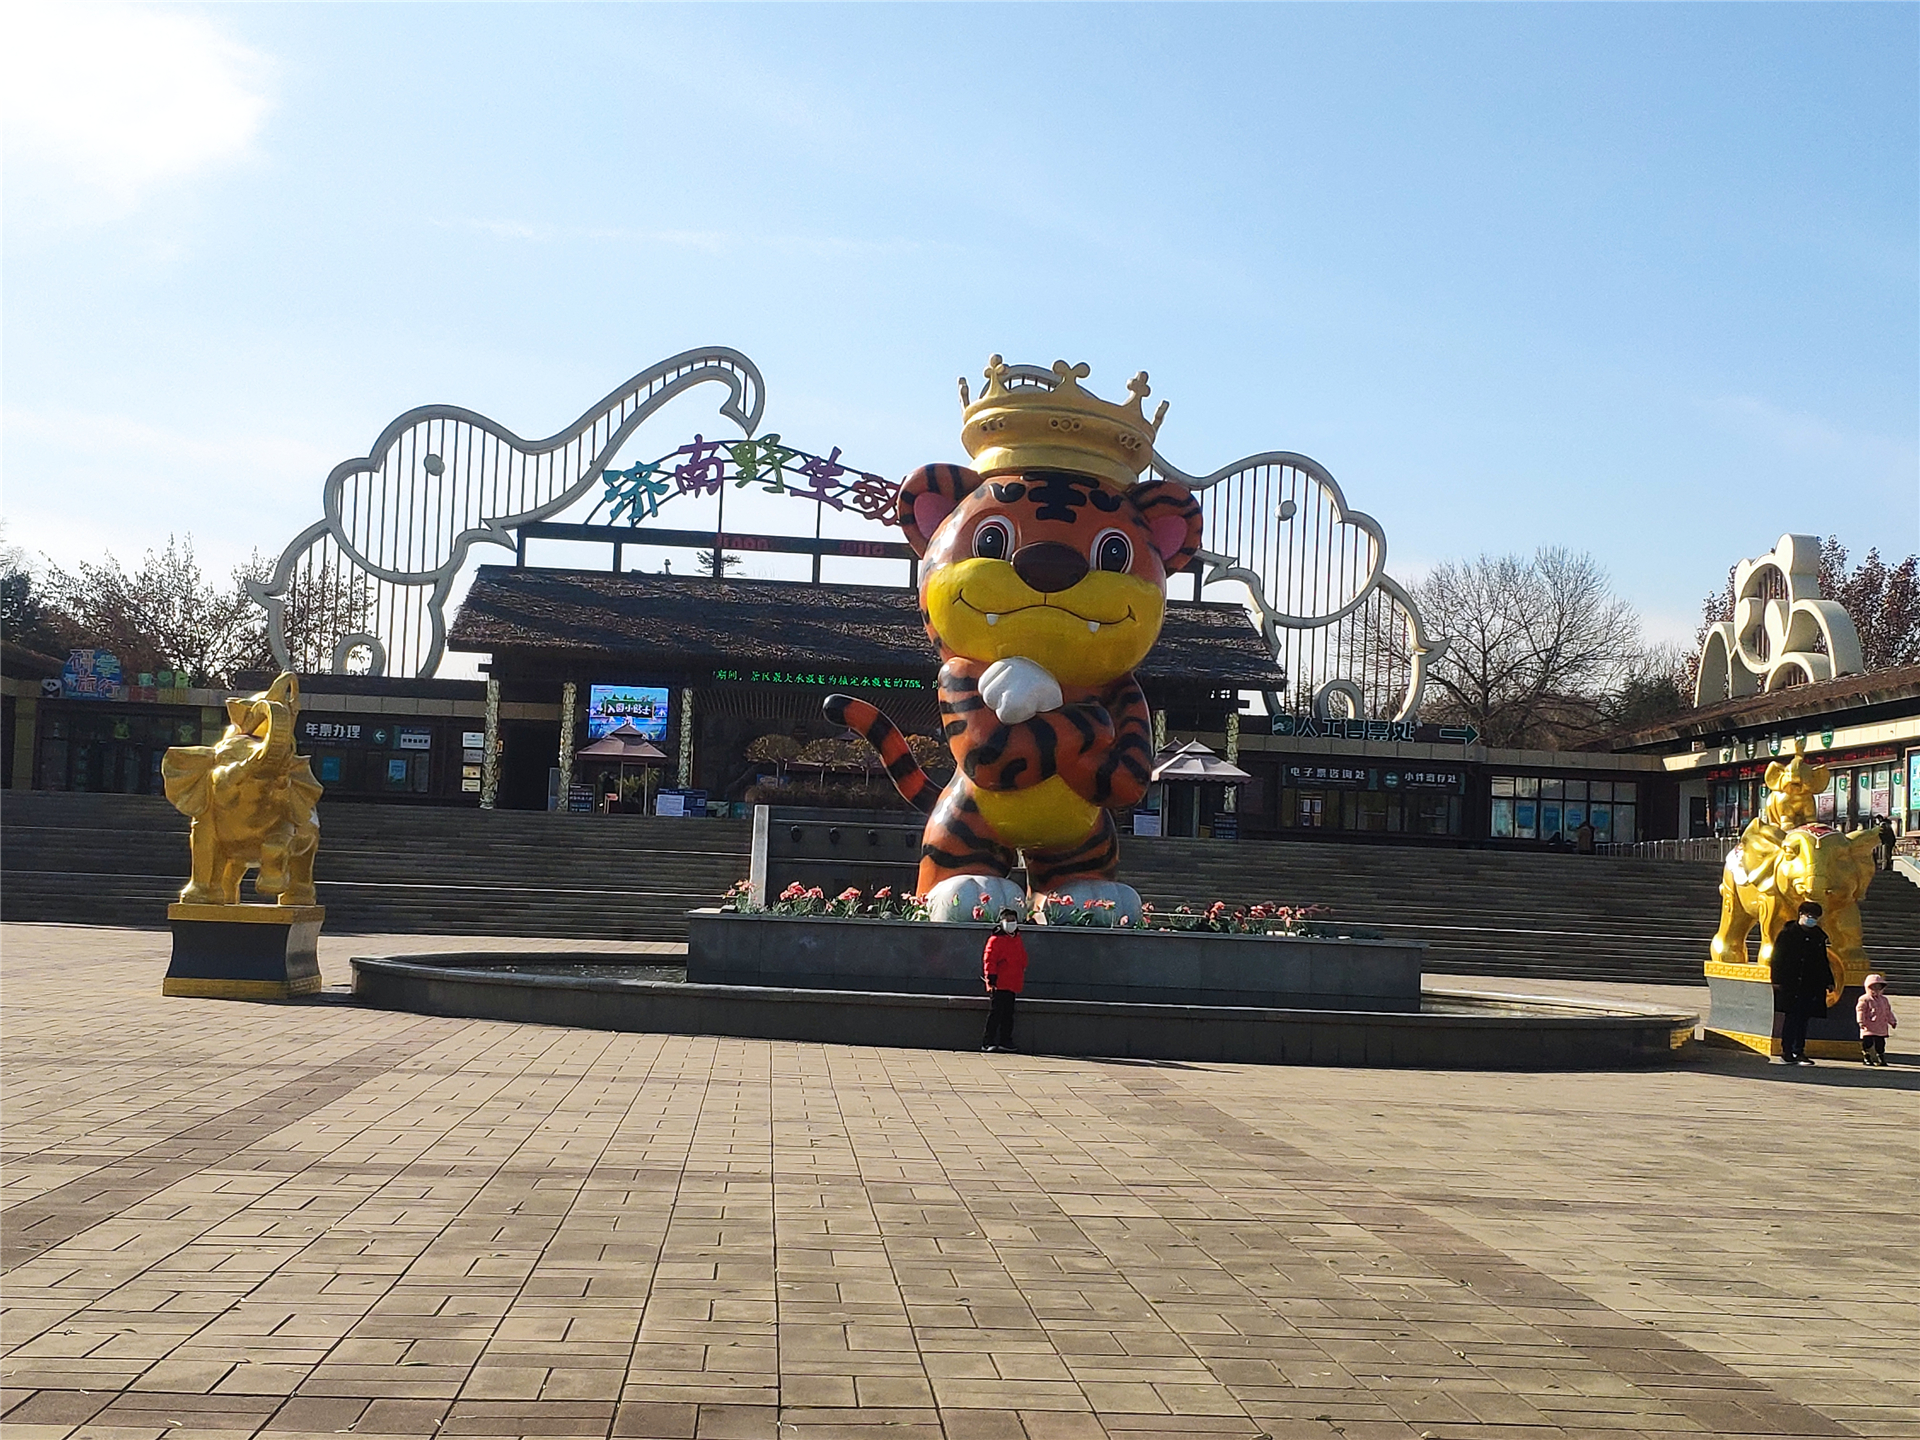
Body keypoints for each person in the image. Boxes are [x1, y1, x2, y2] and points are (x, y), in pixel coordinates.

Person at [1769, 901, 1835, 1065]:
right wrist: (1776, 980)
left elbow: (1822, 960)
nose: (1812, 920)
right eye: (1809, 917)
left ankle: (1799, 1051)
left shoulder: (1818, 936)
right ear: (1801, 915)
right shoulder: (1788, 934)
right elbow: (1777, 959)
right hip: (1791, 983)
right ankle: (1787, 1051)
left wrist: (1829, 980)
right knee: (1791, 1017)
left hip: (1810, 984)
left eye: (1815, 918)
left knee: (1804, 1019)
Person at [981, 905, 1028, 1054]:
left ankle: (1005, 1041)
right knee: (996, 1014)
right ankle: (988, 1041)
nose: (1011, 923)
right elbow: (989, 960)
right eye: (1008, 920)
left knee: (1008, 1015)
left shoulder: (1017, 939)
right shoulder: (995, 940)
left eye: (1013, 920)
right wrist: (991, 978)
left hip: (1012, 983)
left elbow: (1022, 958)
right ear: (1001, 922)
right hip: (999, 983)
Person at [1856, 974, 1897, 1067]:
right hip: (1868, 1025)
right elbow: (1860, 1010)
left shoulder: (1884, 1000)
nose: (1876, 989)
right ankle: (1867, 1056)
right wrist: (1861, 1021)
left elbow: (1887, 1011)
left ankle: (1881, 1057)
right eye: (1874, 986)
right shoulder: (1864, 999)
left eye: (1879, 986)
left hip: (1881, 1026)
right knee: (1868, 1042)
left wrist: (1892, 1021)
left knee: (1880, 1043)